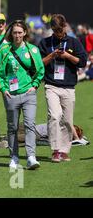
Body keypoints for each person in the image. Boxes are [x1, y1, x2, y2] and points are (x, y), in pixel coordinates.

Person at [0, 21, 45, 170]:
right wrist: (3, 89)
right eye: (15, 32)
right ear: (11, 34)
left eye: (20, 32)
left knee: (30, 125)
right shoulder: (5, 51)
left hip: (29, 94)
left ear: (24, 33)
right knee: (12, 128)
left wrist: (34, 85)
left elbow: (40, 70)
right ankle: (14, 157)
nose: (17, 35)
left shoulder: (33, 50)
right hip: (11, 96)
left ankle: (31, 157)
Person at [38, 14, 87, 163]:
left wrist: (67, 56)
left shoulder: (73, 42)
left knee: (67, 119)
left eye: (60, 29)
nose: (58, 32)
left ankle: (65, 151)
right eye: (55, 30)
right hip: (51, 85)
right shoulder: (45, 43)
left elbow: (82, 62)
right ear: (52, 28)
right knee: (54, 115)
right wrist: (52, 55)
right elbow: (39, 63)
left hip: (68, 87)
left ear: (64, 26)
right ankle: (55, 150)